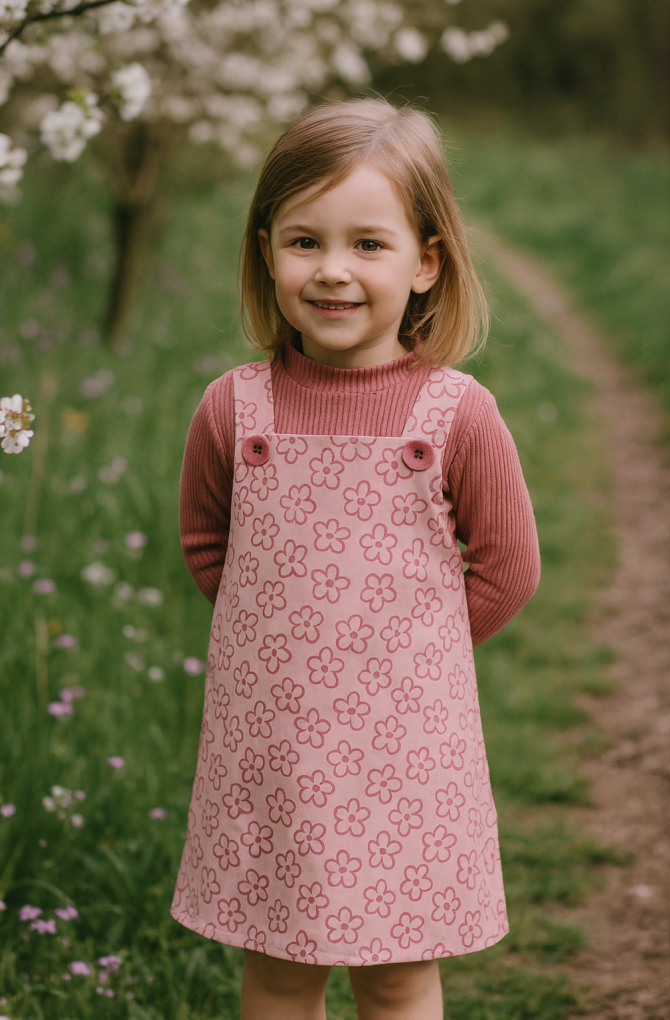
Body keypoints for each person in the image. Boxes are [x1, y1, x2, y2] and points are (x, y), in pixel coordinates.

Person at [173, 97, 540, 1020]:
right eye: (305, 241)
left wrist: (410, 655)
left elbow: (507, 568)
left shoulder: (456, 415)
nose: (333, 270)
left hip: (408, 752)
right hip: (273, 748)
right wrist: (287, 645)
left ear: (426, 261)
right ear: (267, 251)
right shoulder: (233, 410)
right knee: (279, 969)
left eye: (368, 244)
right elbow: (209, 544)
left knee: (398, 975)